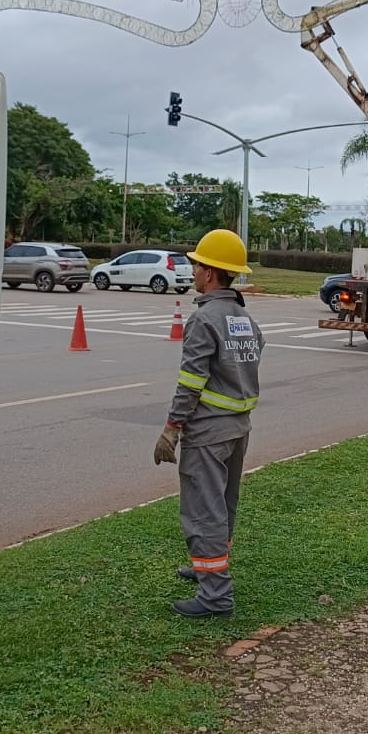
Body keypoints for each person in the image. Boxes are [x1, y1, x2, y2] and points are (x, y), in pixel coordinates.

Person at [153, 228, 264, 619]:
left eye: (197, 263)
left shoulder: (204, 320)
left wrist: (172, 427)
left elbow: (191, 382)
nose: (193, 268)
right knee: (223, 506)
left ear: (210, 272)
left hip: (208, 432)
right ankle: (207, 567)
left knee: (204, 510)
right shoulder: (244, 319)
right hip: (238, 429)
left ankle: (215, 595)